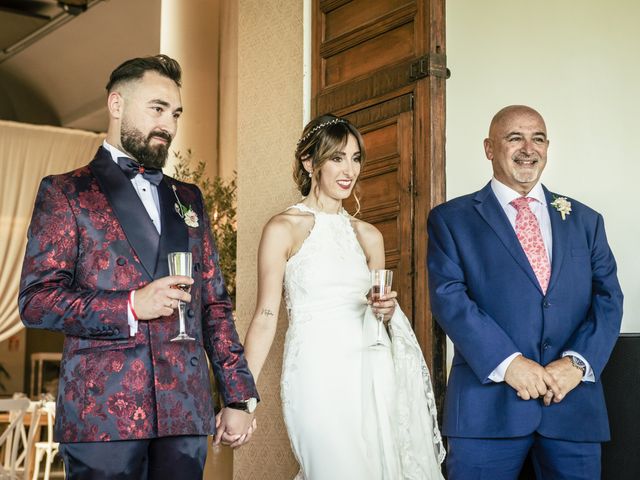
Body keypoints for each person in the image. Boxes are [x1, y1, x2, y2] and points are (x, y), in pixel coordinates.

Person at [18, 54, 258, 479]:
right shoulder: (66, 192)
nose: (168, 123)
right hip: (103, 415)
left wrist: (238, 397)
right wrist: (129, 305)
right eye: (157, 109)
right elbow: (37, 302)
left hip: (183, 411)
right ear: (116, 105)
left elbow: (215, 306)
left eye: (176, 113)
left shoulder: (189, 198)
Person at [243, 114, 445, 479]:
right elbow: (265, 316)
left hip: (371, 369)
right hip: (315, 372)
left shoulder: (369, 236)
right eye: (337, 157)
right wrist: (241, 396)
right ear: (309, 162)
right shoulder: (283, 228)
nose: (348, 169)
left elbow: (378, 314)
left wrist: (385, 310)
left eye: (355, 158)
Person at [427, 105, 623, 479]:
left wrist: (576, 364)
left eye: (538, 138)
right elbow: (449, 299)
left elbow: (609, 300)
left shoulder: (586, 220)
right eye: (514, 137)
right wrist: (509, 363)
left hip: (572, 408)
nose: (528, 148)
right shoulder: (451, 220)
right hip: (486, 413)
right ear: (489, 148)